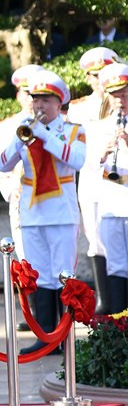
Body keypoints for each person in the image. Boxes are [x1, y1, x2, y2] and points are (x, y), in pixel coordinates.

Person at [0, 70, 86, 354]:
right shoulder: (24, 129)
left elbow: (77, 160)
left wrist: (45, 134)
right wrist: (18, 140)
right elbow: (2, 165)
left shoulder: (73, 131)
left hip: (61, 213)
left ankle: (65, 336)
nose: (39, 106)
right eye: (36, 100)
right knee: (40, 276)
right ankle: (45, 336)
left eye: (46, 101)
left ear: (59, 104)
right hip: (32, 213)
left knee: (63, 275)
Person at [0, 64, 45, 332]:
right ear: (18, 95)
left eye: (35, 93)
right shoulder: (9, 125)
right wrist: (10, 189)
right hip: (22, 196)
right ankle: (34, 314)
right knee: (26, 255)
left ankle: (56, 315)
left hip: (50, 196)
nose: (30, 98)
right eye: (25, 92)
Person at [67, 47, 118, 315]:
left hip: (118, 182)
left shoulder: (122, 103)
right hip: (90, 180)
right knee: (95, 238)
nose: (99, 79)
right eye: (95, 75)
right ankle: (105, 299)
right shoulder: (78, 108)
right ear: (87, 78)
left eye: (104, 73)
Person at [94, 63, 128, 313]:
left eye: (124, 92)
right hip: (111, 206)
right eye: (115, 94)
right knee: (116, 266)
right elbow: (85, 168)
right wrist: (102, 154)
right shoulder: (99, 127)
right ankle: (119, 331)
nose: (120, 99)